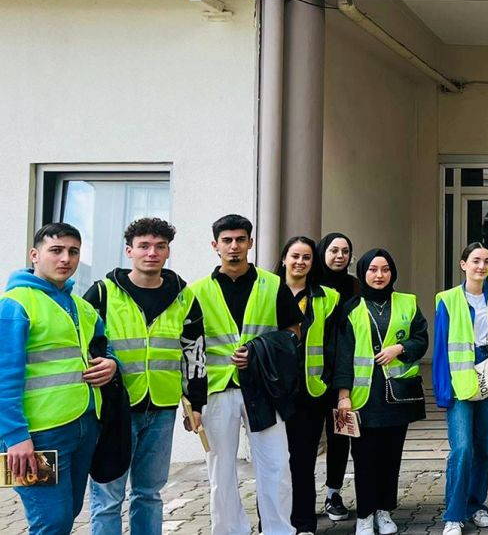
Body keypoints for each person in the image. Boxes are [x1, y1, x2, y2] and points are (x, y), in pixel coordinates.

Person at [85, 217, 207, 535]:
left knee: (149, 495)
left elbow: (195, 355)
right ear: (129, 251)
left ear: (168, 252)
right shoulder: (102, 293)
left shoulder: (184, 296)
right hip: (113, 410)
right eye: (144, 246)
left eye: (160, 246)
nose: (151, 252)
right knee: (108, 497)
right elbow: (83, 345)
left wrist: (195, 403)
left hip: (162, 410)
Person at [0, 223, 118, 535]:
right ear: (35, 255)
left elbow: (106, 347)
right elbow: (3, 377)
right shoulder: (14, 304)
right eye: (56, 250)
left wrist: (111, 364)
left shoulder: (82, 306)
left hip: (82, 426)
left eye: (73, 251)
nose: (65, 258)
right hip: (37, 436)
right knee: (51, 522)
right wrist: (14, 438)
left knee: (68, 514)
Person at [189, 214, 303, 535]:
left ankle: (279, 531)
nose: (234, 246)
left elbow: (293, 331)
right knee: (220, 472)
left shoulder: (273, 284)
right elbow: (189, 348)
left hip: (264, 388)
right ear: (215, 245)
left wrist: (259, 350)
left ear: (250, 243)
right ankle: (228, 531)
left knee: (277, 466)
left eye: (241, 239)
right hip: (217, 390)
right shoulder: (196, 292)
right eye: (227, 240)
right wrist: (191, 401)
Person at [335, 248, 430, 535]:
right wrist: (343, 395)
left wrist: (400, 349)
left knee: (391, 457)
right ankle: (364, 514)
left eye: (385, 269)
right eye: (373, 269)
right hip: (362, 398)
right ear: (363, 272)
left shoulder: (408, 303)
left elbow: (421, 338)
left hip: (396, 395)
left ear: (392, 273)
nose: (379, 275)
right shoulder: (350, 308)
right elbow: (342, 354)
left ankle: (384, 511)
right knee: (364, 458)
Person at [434, 243, 488, 535]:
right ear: (463, 265)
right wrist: (442, 391)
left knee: (483, 449)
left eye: (486, 261)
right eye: (475, 261)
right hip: (460, 381)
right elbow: (442, 349)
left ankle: (476, 504)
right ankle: (453, 514)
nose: (481, 266)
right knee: (462, 449)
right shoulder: (446, 299)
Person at [277, 236, 342, 535]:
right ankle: (274, 522)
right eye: (295, 256)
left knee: (303, 461)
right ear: (284, 259)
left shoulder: (328, 297)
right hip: (274, 390)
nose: (300, 262)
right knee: (275, 463)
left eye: (306, 257)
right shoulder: (266, 293)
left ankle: (303, 524)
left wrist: (332, 382)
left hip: (312, 391)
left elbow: (336, 344)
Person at [318, 231, 359, 522]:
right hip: (311, 376)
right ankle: (302, 495)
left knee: (341, 435)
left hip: (345, 377)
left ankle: (333, 493)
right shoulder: (310, 284)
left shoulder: (356, 286)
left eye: (345, 251)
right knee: (306, 440)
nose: (339, 256)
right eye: (334, 250)